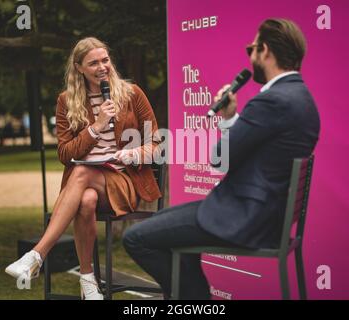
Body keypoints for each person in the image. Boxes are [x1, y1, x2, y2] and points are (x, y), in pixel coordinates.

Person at [122, 18, 321, 299]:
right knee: (167, 225)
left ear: (264, 50)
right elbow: (253, 152)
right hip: (265, 216)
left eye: (252, 49)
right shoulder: (302, 98)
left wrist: (226, 122)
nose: (251, 56)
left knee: (136, 237)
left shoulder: (273, 100)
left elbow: (220, 158)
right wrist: (231, 118)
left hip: (245, 218)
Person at [5, 37, 161, 300]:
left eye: (105, 60)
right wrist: (96, 127)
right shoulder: (67, 101)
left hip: (125, 180)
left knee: (80, 174)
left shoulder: (132, 94)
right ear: (79, 68)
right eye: (93, 63)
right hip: (89, 187)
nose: (102, 67)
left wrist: (131, 153)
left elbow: (156, 143)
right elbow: (65, 154)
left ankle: (37, 255)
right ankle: (88, 282)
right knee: (86, 198)